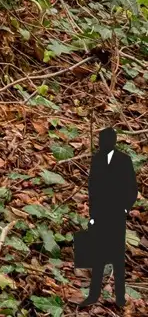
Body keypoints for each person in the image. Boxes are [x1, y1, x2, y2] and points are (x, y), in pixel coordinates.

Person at [79, 128, 137, 305]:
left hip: (117, 214)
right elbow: (93, 189)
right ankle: (93, 295)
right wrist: (93, 214)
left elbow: (132, 188)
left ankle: (120, 297)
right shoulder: (97, 160)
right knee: (98, 255)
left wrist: (125, 209)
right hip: (100, 213)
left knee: (118, 257)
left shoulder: (124, 160)